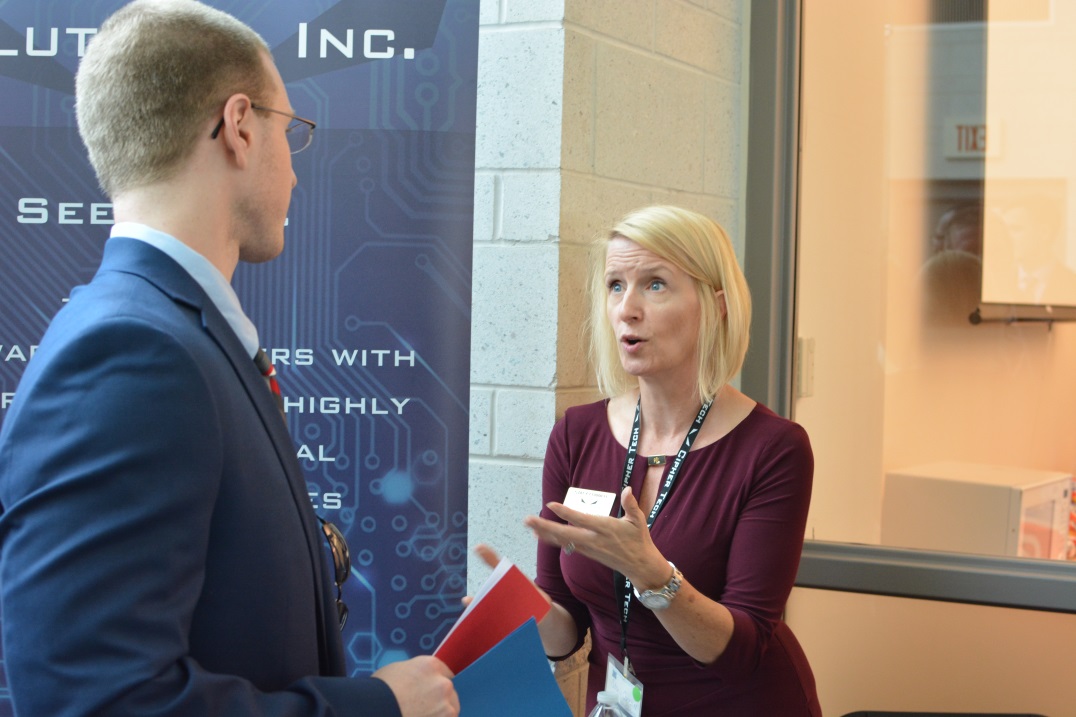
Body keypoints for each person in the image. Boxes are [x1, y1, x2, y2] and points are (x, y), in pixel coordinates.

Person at [0, 2, 458, 716]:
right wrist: (375, 708)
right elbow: (96, 700)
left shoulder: (177, 333)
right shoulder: (133, 352)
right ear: (240, 126)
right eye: (289, 131)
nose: (296, 172)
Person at [520, 205, 820, 715]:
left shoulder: (774, 449)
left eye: (654, 284)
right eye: (615, 285)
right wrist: (515, 613)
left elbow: (740, 651)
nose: (626, 309)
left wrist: (653, 574)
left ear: (716, 305)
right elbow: (564, 631)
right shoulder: (577, 433)